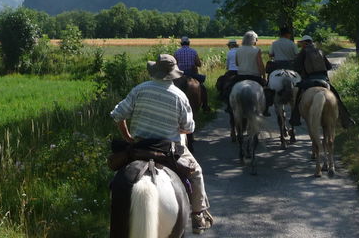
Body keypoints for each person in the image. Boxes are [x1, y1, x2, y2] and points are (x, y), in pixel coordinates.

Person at [110, 53, 215, 234]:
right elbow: (188, 128)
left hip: (139, 146)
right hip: (168, 148)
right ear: (173, 74)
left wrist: (127, 136)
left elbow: (118, 114)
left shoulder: (139, 89)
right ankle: (198, 214)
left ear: (155, 71)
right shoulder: (179, 96)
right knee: (196, 172)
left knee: (117, 178)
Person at [289, 36, 355, 128]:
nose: (301, 45)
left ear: (305, 43)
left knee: (298, 98)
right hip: (323, 80)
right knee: (337, 98)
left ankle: (295, 118)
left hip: (309, 79)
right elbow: (328, 67)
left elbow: (296, 67)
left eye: (302, 43)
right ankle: (346, 120)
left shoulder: (303, 52)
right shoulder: (320, 51)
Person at [225, 31, 271, 115]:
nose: (256, 42)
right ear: (253, 40)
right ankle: (265, 110)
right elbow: (260, 65)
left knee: (228, 89)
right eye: (256, 40)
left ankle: (229, 106)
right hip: (254, 76)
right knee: (266, 92)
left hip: (240, 76)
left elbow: (237, 63)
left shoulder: (238, 50)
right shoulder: (256, 50)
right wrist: (264, 77)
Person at [173, 36, 211, 112]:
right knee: (203, 88)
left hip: (180, 74)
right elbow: (198, 64)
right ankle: (205, 106)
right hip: (191, 74)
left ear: (181, 43)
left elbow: (174, 64)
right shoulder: (193, 52)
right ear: (189, 43)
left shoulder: (177, 52)